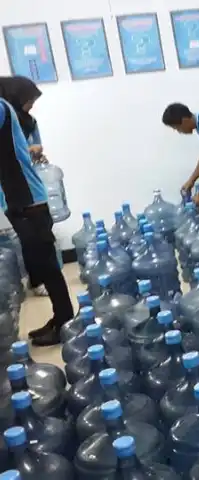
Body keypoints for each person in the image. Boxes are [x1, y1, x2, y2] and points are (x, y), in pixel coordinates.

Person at [0, 77, 74, 346]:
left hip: (30, 203)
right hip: (18, 203)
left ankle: (65, 321)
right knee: (39, 265)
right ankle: (59, 318)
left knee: (48, 268)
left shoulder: (1, 108)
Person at [0, 77, 49, 297]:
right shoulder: (7, 114)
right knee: (29, 242)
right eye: (30, 100)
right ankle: (37, 280)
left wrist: (35, 152)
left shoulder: (25, 120)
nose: (31, 104)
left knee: (37, 242)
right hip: (14, 191)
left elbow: (29, 148)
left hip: (28, 189)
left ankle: (41, 281)